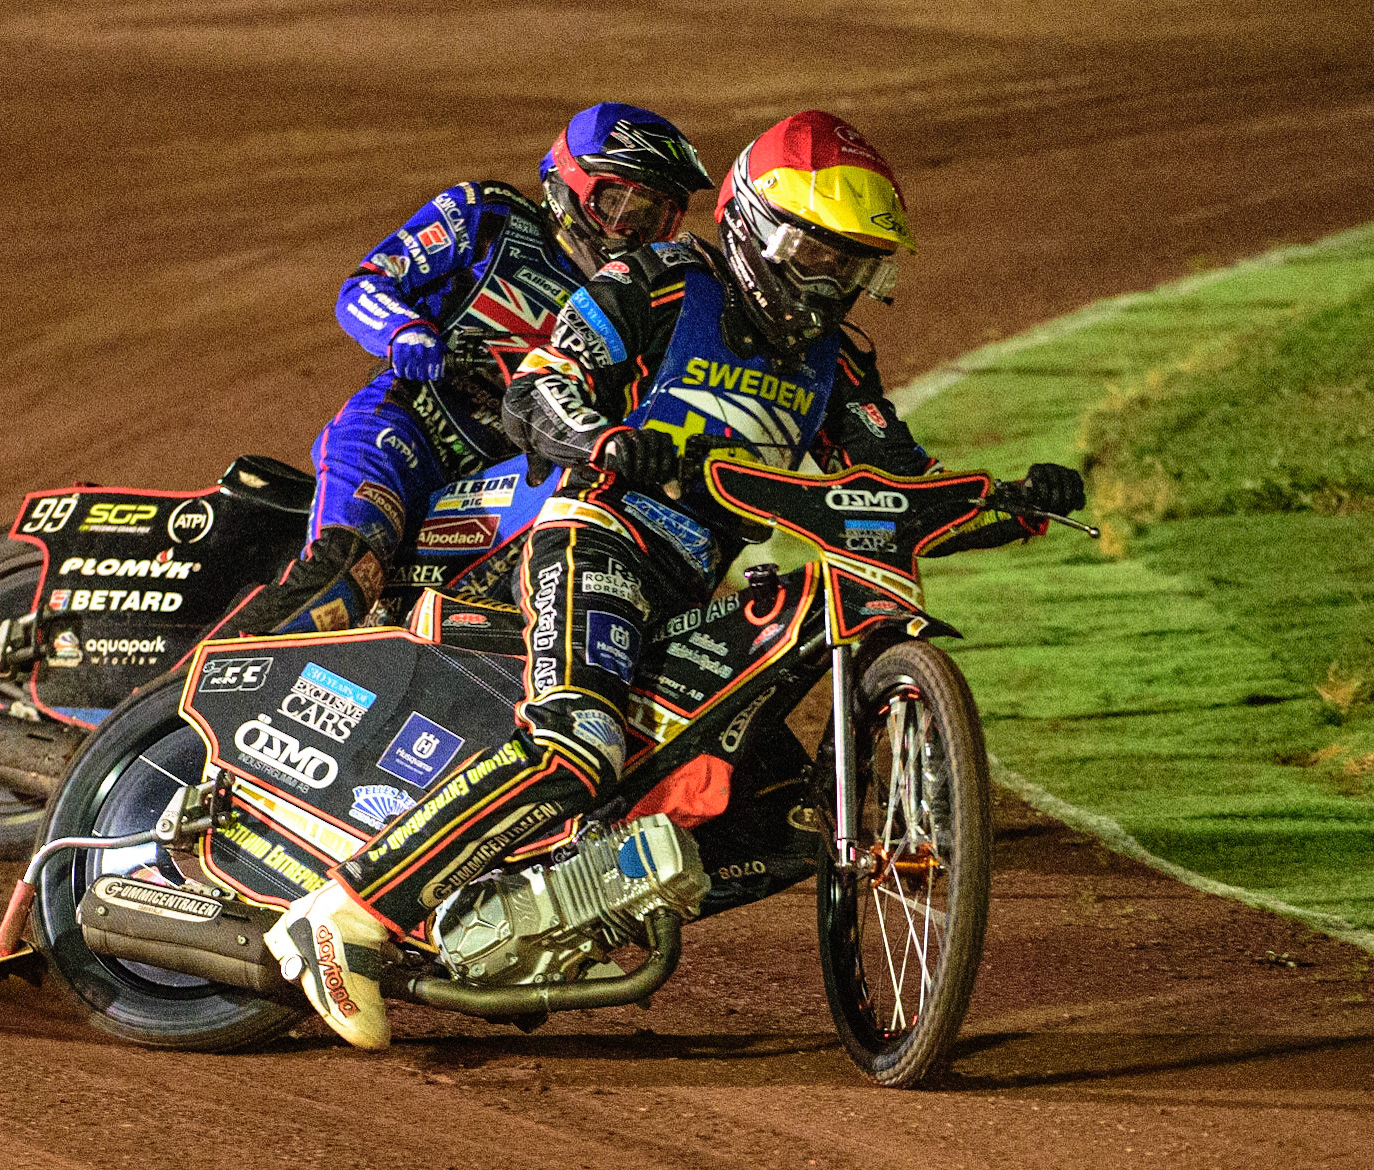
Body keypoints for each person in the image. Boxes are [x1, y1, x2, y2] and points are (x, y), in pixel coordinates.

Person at [265, 111, 1087, 1049]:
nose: (833, 282)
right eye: (820, 255)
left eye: (854, 265)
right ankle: (345, 913)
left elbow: (892, 485)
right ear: (761, 228)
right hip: (595, 535)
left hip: (687, 588)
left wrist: (1010, 508)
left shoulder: (837, 360)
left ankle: (556, 909)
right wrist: (602, 438)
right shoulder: (653, 280)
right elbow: (541, 388)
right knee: (577, 741)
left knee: (785, 816)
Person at [208, 103, 712, 637]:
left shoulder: (645, 297)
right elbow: (365, 285)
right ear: (569, 183)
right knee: (347, 574)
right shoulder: (489, 217)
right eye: (617, 204)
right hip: (403, 431)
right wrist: (404, 330)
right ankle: (179, 699)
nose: (628, 233)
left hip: (510, 476)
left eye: (654, 218)